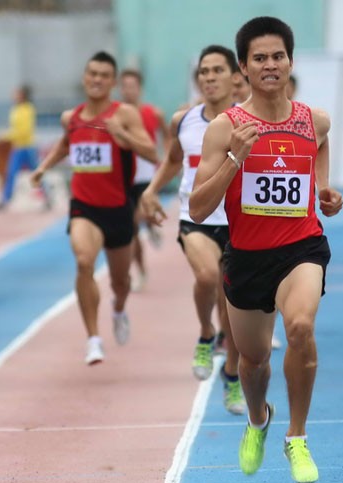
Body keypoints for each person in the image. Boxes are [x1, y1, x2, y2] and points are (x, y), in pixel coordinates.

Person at [189, 17, 343, 483]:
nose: (270, 64)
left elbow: (320, 147)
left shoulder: (313, 120)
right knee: (254, 364)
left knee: (300, 327)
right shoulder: (224, 128)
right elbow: (197, 208)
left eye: (278, 56)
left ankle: (296, 438)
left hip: (302, 249)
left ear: (290, 61)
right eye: (260, 58)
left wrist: (324, 190)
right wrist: (235, 157)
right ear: (244, 67)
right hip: (248, 258)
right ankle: (258, 420)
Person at [29, 51, 157, 365]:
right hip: (84, 206)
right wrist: (44, 167)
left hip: (118, 209)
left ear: (112, 82)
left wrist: (121, 135)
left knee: (120, 282)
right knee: (84, 261)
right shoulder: (70, 117)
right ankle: (93, 339)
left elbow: (152, 153)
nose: (97, 79)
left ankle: (118, 309)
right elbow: (66, 143)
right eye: (92, 74)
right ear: (85, 78)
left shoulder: (124, 114)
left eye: (103, 75)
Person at [141, 45, 245, 415]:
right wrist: (152, 191)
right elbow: (173, 162)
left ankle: (232, 375)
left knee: (234, 304)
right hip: (196, 218)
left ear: (235, 77)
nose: (209, 77)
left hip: (240, 222)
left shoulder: (247, 122)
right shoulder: (184, 121)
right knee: (206, 276)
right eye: (203, 72)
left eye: (217, 70)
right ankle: (205, 333)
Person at [119, 68, 170, 291]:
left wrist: (166, 159)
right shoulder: (116, 116)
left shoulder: (153, 113)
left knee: (139, 217)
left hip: (147, 177)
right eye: (125, 86)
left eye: (132, 86)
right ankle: (141, 271)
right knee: (130, 230)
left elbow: (168, 137)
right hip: (124, 178)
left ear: (139, 88)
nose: (128, 91)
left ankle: (149, 223)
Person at [0, 85, 50, 210]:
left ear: (23, 95)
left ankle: (48, 198)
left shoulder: (28, 109)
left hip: (28, 147)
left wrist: (6, 136)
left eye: (17, 93)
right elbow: (14, 128)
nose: (14, 95)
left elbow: (24, 130)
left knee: (37, 173)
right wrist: (9, 135)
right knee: (11, 173)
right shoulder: (15, 109)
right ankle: (5, 200)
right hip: (18, 147)